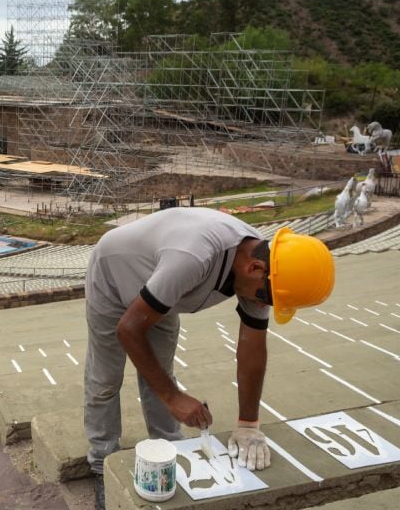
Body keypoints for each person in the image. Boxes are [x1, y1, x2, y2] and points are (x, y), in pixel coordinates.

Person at [83, 207, 335, 509]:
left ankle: (169, 449)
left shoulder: (264, 266)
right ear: (255, 269)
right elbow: (128, 329)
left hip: (161, 291)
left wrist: (248, 425)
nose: (263, 304)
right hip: (114, 277)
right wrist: (173, 397)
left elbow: (252, 347)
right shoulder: (194, 258)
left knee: (159, 374)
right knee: (106, 379)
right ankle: (101, 463)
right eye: (267, 298)